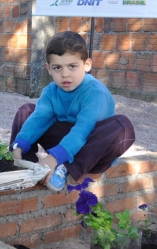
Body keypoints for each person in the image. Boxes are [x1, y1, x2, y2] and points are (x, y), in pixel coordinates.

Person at [10, 31, 135, 192]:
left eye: (72, 66)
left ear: (87, 65)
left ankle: (66, 169)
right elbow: (39, 118)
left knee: (122, 125)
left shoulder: (95, 92)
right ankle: (26, 166)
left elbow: (83, 130)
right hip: (65, 144)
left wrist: (54, 157)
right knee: (27, 111)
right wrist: (19, 145)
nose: (65, 74)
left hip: (90, 152)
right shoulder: (51, 91)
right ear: (49, 69)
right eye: (57, 68)